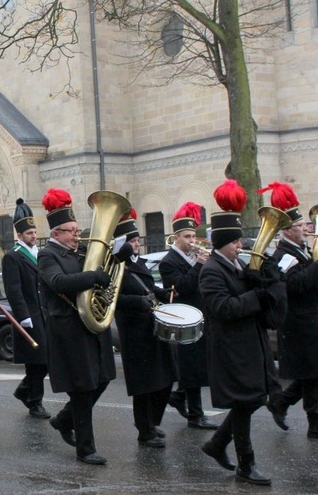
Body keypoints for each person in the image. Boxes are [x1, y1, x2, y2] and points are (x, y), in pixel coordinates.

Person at [198, 180, 285, 486]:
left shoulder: (233, 266)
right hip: (231, 347)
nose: (240, 245)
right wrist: (255, 297)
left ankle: (217, 444)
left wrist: (261, 282)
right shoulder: (211, 270)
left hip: (248, 344)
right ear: (222, 242)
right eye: (235, 241)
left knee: (249, 400)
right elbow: (222, 307)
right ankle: (246, 465)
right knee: (245, 402)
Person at [37, 188, 115, 466]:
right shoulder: (47, 255)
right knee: (83, 389)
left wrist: (119, 255)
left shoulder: (78, 251)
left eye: (76, 229)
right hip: (68, 329)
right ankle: (86, 449)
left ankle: (63, 420)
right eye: (70, 231)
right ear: (56, 233)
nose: (76, 234)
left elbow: (102, 268)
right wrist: (92, 276)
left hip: (89, 328)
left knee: (103, 379)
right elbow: (58, 282)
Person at [262, 182, 318, 440]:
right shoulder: (283, 255)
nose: (307, 230)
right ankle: (315, 422)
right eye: (301, 227)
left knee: (315, 372)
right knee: (313, 372)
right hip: (300, 324)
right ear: (287, 231)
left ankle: (284, 404)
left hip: (314, 319)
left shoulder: (303, 251)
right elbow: (294, 285)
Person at [113, 210, 176, 448]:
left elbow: (148, 288)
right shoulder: (116, 268)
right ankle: (144, 430)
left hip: (153, 327)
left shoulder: (139, 263)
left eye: (137, 240)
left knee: (166, 377)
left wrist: (164, 293)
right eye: (132, 241)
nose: (137, 244)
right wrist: (136, 302)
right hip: (134, 331)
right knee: (144, 384)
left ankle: (153, 422)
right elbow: (114, 300)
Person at [158, 202, 219, 430]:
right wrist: (199, 265)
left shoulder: (195, 258)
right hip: (183, 320)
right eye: (187, 237)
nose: (192, 241)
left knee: (199, 364)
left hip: (202, 316)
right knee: (191, 366)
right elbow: (181, 287)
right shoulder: (168, 262)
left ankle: (179, 396)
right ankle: (196, 415)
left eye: (193, 236)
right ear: (176, 238)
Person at [1, 198, 50, 419]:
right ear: (19, 235)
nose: (34, 236)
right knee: (36, 360)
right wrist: (23, 316)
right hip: (30, 315)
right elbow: (14, 289)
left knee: (47, 358)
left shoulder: (39, 253)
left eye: (34, 231)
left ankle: (24, 390)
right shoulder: (13, 256)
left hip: (44, 313)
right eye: (29, 233)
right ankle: (34, 402)